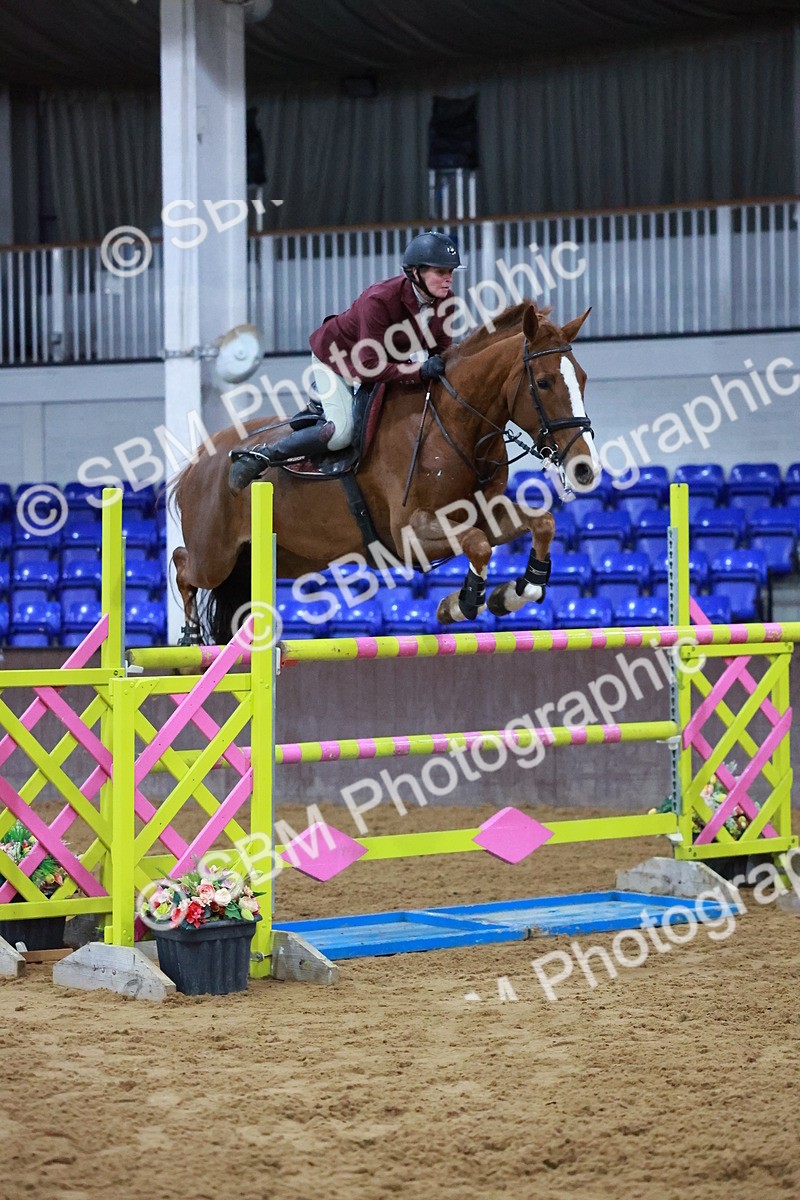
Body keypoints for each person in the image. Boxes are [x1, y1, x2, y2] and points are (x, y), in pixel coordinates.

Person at [229, 231, 461, 493]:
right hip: (338, 360)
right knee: (341, 434)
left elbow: (441, 351)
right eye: (440, 272)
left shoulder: (447, 302)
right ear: (415, 272)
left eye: (451, 272)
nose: (448, 279)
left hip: (387, 363)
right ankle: (262, 455)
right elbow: (369, 365)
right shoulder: (380, 299)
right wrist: (419, 371)